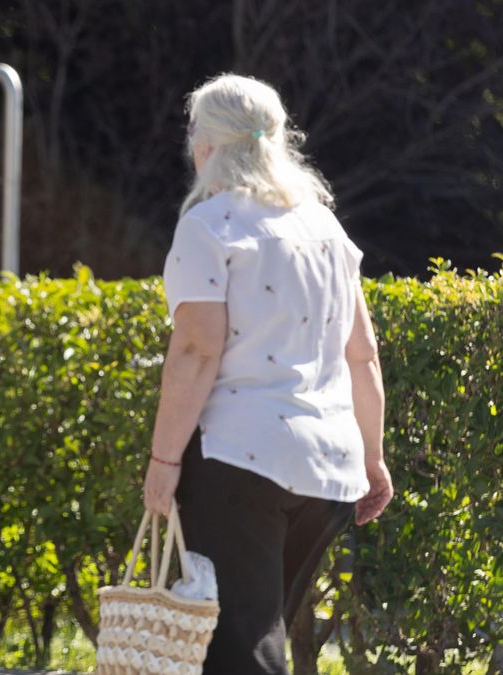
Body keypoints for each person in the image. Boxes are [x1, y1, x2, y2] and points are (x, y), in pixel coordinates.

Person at [140, 74, 395, 674]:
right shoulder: (326, 228)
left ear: (204, 146)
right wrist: (374, 457)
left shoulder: (210, 228)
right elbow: (363, 355)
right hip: (328, 470)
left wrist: (162, 462)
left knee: (238, 646)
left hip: (240, 459)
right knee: (262, 628)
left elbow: (198, 352)